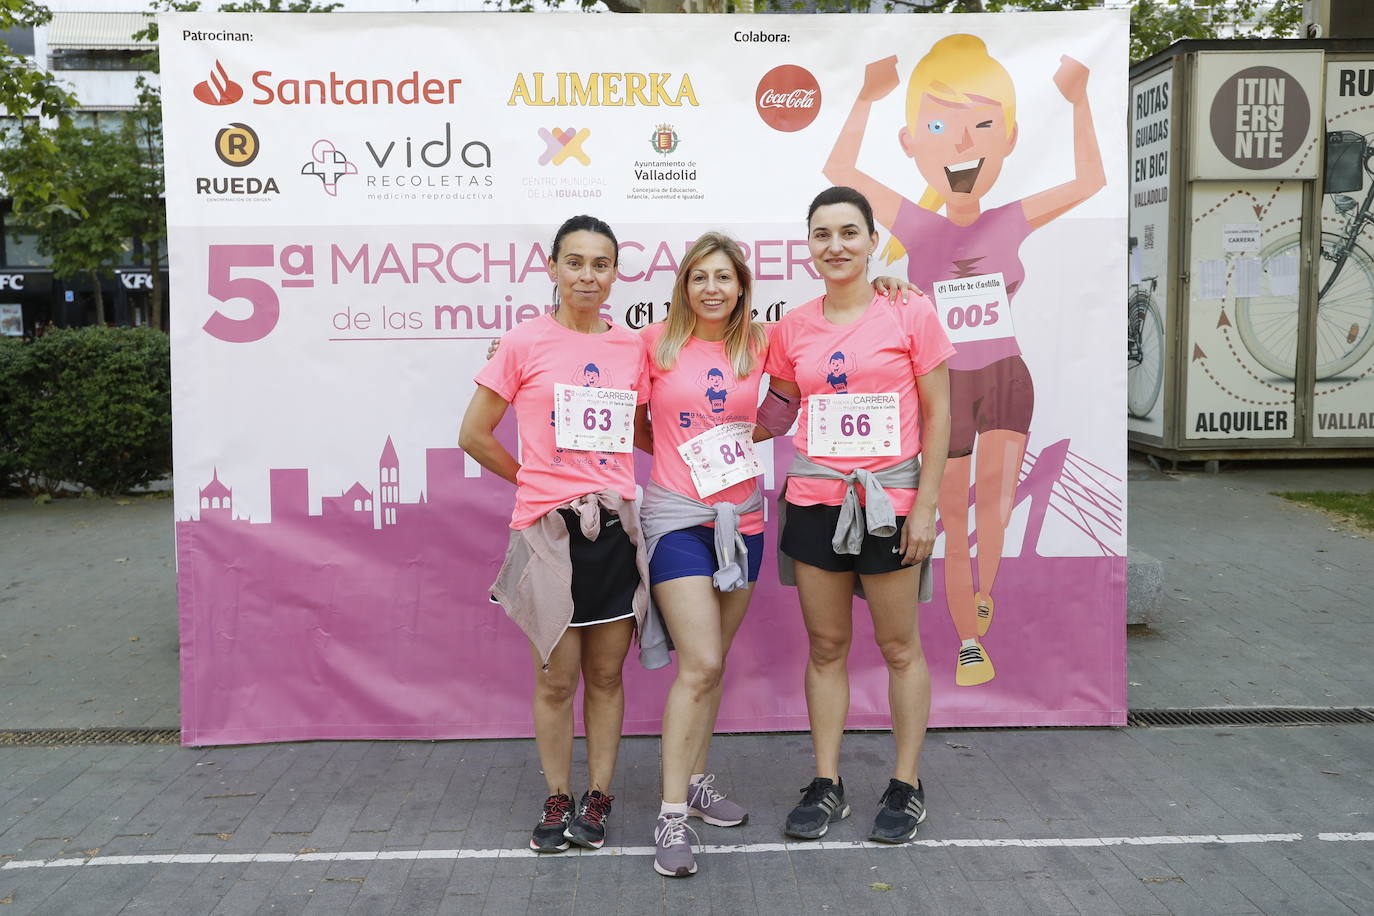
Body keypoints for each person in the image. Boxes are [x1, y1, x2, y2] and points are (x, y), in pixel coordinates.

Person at [825, 35, 1105, 686]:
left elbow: (1091, 180)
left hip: (1006, 380)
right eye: (939, 126)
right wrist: (866, 97)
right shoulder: (914, 227)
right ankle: (970, 636)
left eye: (981, 125)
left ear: (1007, 138)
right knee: (950, 518)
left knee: (995, 509)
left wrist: (1080, 98)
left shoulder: (1011, 217)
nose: (961, 144)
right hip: (943, 389)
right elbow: (841, 166)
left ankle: (985, 592)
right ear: (911, 144)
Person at [762, 185, 953, 844]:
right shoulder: (792, 327)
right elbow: (778, 410)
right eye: (822, 234)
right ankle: (828, 783)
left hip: (889, 507)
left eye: (849, 232)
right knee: (826, 648)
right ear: (809, 245)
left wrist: (925, 506)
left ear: (874, 241)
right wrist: (699, 418)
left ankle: (906, 784)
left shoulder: (910, 312)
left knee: (900, 648)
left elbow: (939, 414)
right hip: (814, 504)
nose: (836, 245)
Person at [458, 215, 650, 854]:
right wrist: (533, 482)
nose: (588, 276)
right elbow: (474, 433)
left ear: (616, 272)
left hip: (614, 531)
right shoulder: (521, 343)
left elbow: (650, 425)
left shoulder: (633, 348)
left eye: (601, 264)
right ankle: (556, 795)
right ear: (553, 268)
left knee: (606, 675)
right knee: (555, 678)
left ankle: (597, 797)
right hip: (547, 534)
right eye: (576, 263)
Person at [635, 232, 769, 877]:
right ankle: (670, 815)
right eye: (699, 277)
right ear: (683, 286)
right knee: (702, 661)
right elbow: (624, 410)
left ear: (741, 286)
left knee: (714, 667)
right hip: (675, 520)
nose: (711, 288)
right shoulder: (653, 344)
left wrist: (891, 289)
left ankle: (694, 779)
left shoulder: (760, 344)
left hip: (743, 523)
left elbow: (826, 359)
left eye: (723, 277)